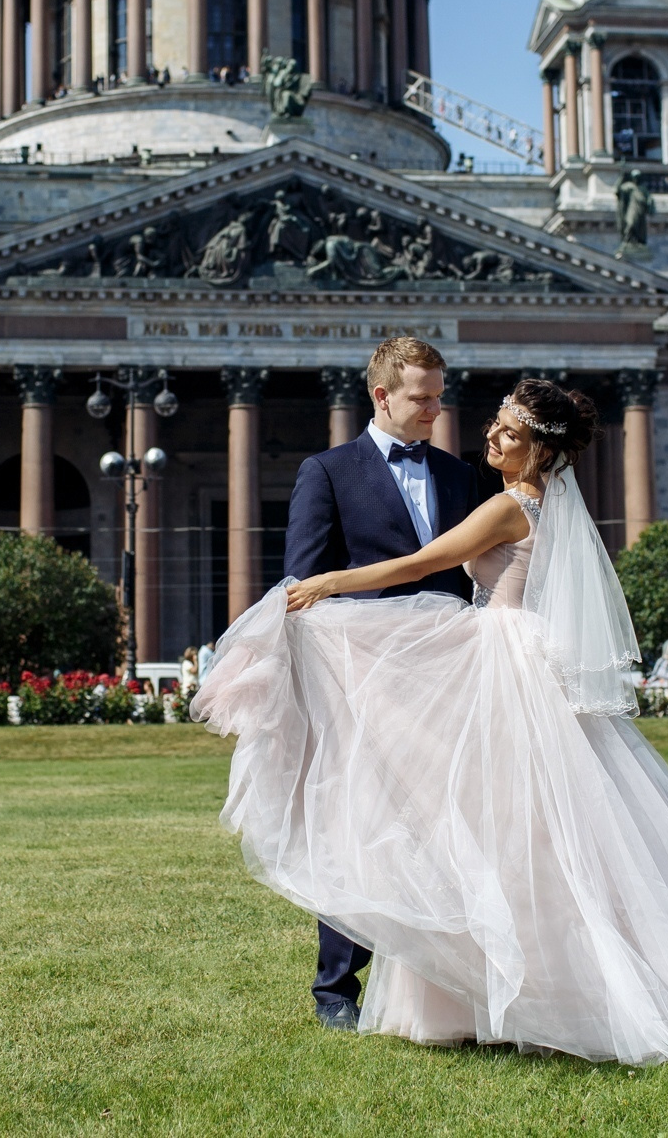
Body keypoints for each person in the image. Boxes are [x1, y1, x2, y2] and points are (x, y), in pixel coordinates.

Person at [194, 376, 668, 1065]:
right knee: (523, 828)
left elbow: (423, 562)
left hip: (501, 661)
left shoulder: (509, 505)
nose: (491, 437)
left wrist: (328, 582)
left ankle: (525, 992)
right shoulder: (547, 501)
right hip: (520, 657)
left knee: (494, 826)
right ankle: (518, 988)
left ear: (540, 450)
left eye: (510, 433)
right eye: (497, 424)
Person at [279, 336, 486, 1030]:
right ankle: (336, 988)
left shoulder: (459, 475)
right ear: (382, 395)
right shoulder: (327, 472)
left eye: (439, 396)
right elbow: (306, 587)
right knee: (359, 826)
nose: (435, 408)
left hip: (448, 680)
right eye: (422, 397)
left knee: (447, 826)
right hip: (363, 683)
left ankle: (439, 978)